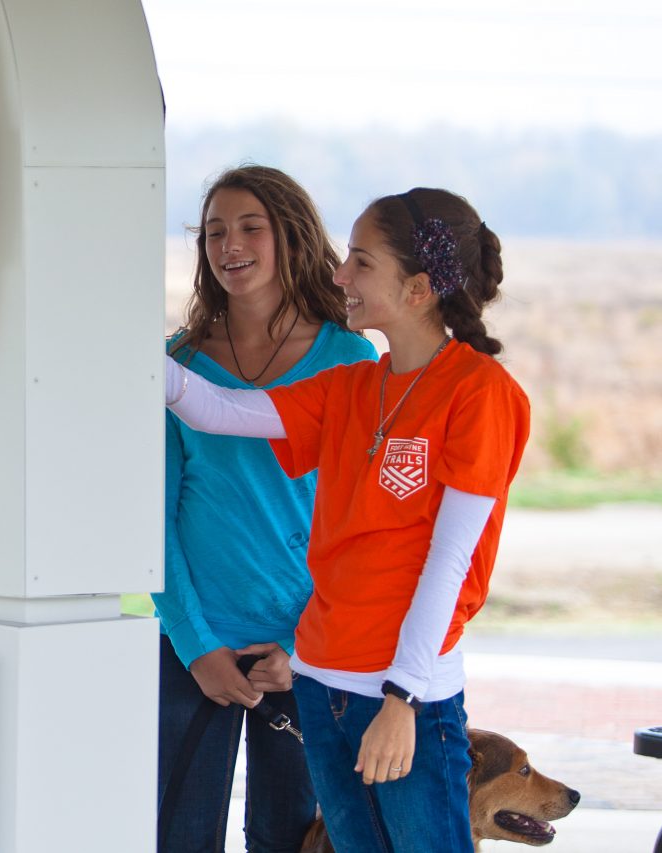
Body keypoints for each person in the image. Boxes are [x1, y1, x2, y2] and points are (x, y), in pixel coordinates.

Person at [164, 187, 530, 853]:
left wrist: (402, 701)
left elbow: (449, 567)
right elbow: (220, 410)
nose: (339, 275)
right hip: (322, 685)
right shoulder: (357, 385)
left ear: (418, 288)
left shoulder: (480, 395)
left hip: (397, 693)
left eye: (360, 262)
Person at [156, 165, 378, 853]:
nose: (230, 243)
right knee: (178, 836)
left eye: (251, 226)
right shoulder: (178, 363)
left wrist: (304, 643)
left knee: (290, 839)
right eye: (216, 230)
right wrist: (196, 647)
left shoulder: (349, 360)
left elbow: (362, 524)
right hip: (194, 645)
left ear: (291, 237)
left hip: (307, 650)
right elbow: (150, 519)